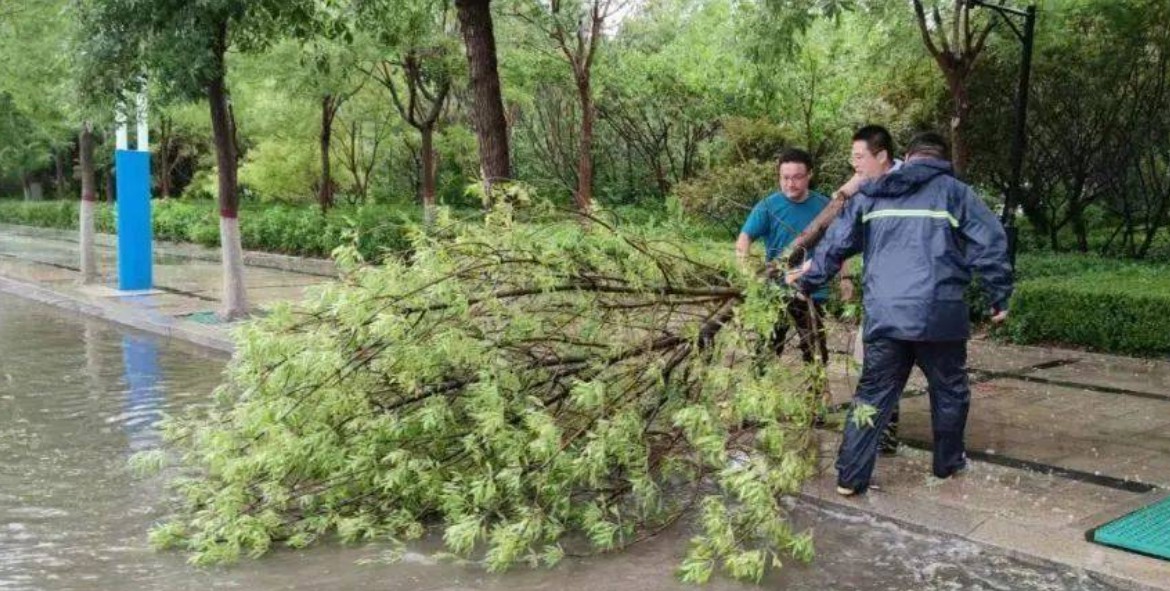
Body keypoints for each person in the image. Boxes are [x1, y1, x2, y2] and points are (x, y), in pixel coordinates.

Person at [786, 132, 1013, 496]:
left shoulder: (874, 194)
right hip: (940, 317)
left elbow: (836, 244)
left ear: (906, 158)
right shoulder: (956, 194)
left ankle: (849, 477)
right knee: (949, 391)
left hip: (886, 316)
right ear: (941, 160)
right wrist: (998, 295)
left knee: (872, 395)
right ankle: (946, 465)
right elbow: (990, 242)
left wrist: (807, 282)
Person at [736, 148, 853, 396]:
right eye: (785, 177)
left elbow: (839, 246)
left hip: (811, 291)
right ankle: (756, 399)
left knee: (815, 351)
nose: (790, 183)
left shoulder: (825, 207)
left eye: (797, 176)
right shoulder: (768, 206)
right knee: (766, 349)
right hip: (775, 290)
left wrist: (846, 278)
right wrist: (747, 272)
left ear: (809, 174)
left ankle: (815, 402)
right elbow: (744, 238)